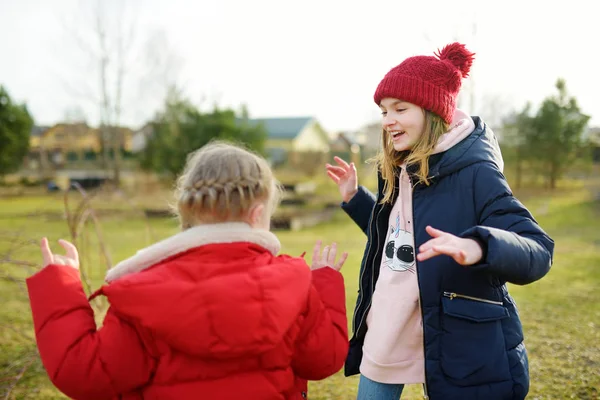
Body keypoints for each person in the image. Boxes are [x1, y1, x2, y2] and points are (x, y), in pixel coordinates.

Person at [27, 141, 349, 400]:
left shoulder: (142, 293)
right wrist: (324, 283)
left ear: (189, 208)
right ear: (257, 213)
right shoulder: (294, 285)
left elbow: (84, 373)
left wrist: (61, 286)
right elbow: (324, 359)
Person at [325, 43, 554, 400]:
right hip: (389, 322)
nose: (388, 121)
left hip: (455, 328)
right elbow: (397, 236)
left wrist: (477, 245)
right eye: (384, 111)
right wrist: (356, 199)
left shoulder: (477, 172)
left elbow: (538, 249)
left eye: (400, 109)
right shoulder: (399, 165)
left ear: (433, 112)